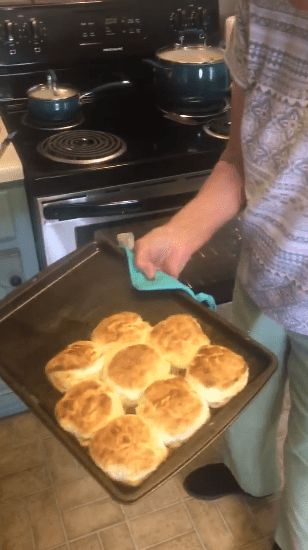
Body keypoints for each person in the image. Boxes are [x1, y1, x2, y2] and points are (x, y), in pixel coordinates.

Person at [134, 1, 308, 548]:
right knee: (240, 390)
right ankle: (248, 476)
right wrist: (183, 232)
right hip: (261, 261)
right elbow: (237, 157)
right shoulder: (262, 16)